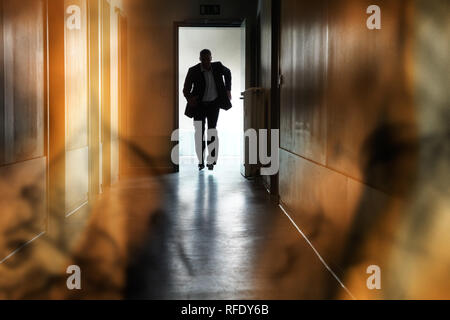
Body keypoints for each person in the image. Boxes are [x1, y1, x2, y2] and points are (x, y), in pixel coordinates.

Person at [183, 49, 232, 171]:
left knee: (212, 131)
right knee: (199, 132)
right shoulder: (193, 70)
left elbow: (228, 72)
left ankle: (211, 160)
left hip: (213, 104)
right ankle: (200, 161)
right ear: (200, 59)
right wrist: (189, 98)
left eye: (208, 59)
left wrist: (228, 89)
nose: (206, 62)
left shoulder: (218, 66)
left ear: (211, 58)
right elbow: (185, 89)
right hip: (199, 105)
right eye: (203, 59)